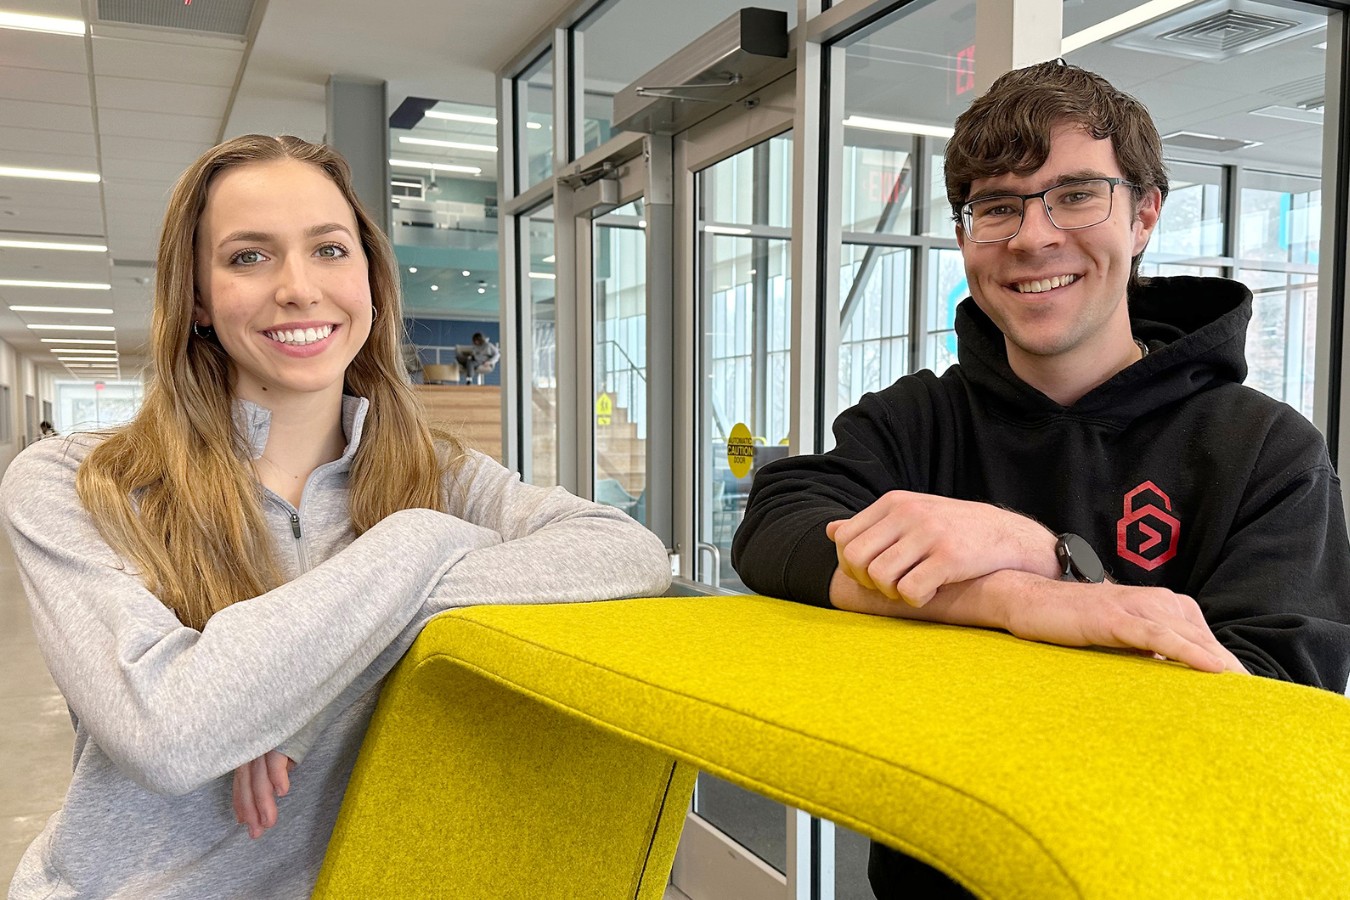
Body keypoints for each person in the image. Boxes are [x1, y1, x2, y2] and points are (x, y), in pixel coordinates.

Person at [732, 60, 1350, 897]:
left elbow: (1274, 722)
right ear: (966, 236)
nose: (1032, 237)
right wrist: (1023, 589)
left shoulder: (1268, 452)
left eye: (1076, 194)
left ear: (1144, 215)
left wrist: (1042, 556)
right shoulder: (916, 420)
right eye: (997, 206)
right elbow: (777, 531)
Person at [0, 135, 670, 898]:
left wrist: (293, 695)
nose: (297, 288)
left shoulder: (436, 474)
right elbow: (167, 730)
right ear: (196, 297)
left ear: (371, 279)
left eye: (328, 249)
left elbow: (625, 550)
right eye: (249, 256)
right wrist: (416, 549)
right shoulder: (79, 482)